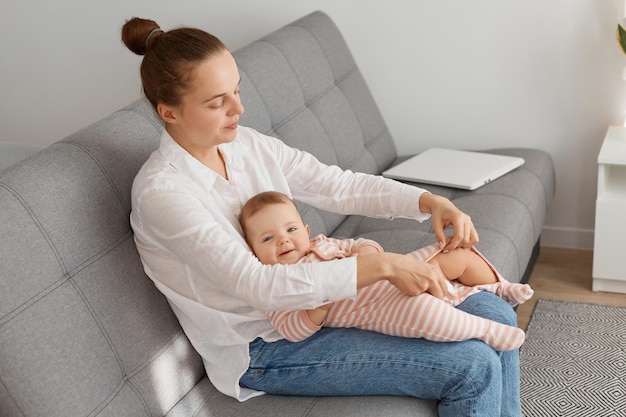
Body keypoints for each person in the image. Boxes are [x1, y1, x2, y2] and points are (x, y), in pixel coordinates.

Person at [122, 16, 525, 416]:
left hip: (325, 304)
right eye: (217, 102)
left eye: (236, 91)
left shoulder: (247, 145)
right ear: (169, 112)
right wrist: (379, 265)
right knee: (473, 366)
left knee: (495, 312)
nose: (238, 108)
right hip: (264, 346)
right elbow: (257, 284)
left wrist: (429, 201)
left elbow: (338, 185)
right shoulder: (164, 194)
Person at [240, 191, 532, 350]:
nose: (283, 240)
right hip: (376, 307)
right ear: (254, 252)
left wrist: (365, 253)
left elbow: (362, 243)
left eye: (290, 229)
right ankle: (486, 331)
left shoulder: (322, 245)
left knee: (455, 254)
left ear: (306, 230)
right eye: (268, 238)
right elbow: (292, 330)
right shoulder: (275, 284)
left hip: (391, 274)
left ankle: (498, 286)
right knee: (425, 313)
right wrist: (321, 303)